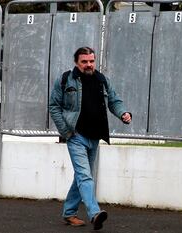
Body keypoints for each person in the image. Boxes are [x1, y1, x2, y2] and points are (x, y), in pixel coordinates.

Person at [49, 47, 132, 230]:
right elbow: (54, 106)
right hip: (75, 136)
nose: (88, 65)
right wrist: (66, 131)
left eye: (91, 61)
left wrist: (123, 113)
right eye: (84, 61)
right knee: (85, 176)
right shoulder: (65, 80)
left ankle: (69, 213)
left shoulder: (102, 80)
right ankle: (95, 213)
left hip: (95, 137)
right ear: (76, 62)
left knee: (81, 176)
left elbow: (114, 101)